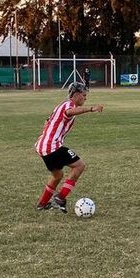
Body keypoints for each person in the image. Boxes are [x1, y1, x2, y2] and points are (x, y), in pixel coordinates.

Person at [34, 83, 104, 212]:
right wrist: (91, 109)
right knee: (79, 165)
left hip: (43, 146)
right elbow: (70, 112)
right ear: (76, 95)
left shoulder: (60, 105)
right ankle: (60, 198)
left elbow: (47, 121)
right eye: (84, 95)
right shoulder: (68, 106)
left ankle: (42, 204)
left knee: (57, 175)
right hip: (52, 146)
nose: (85, 98)